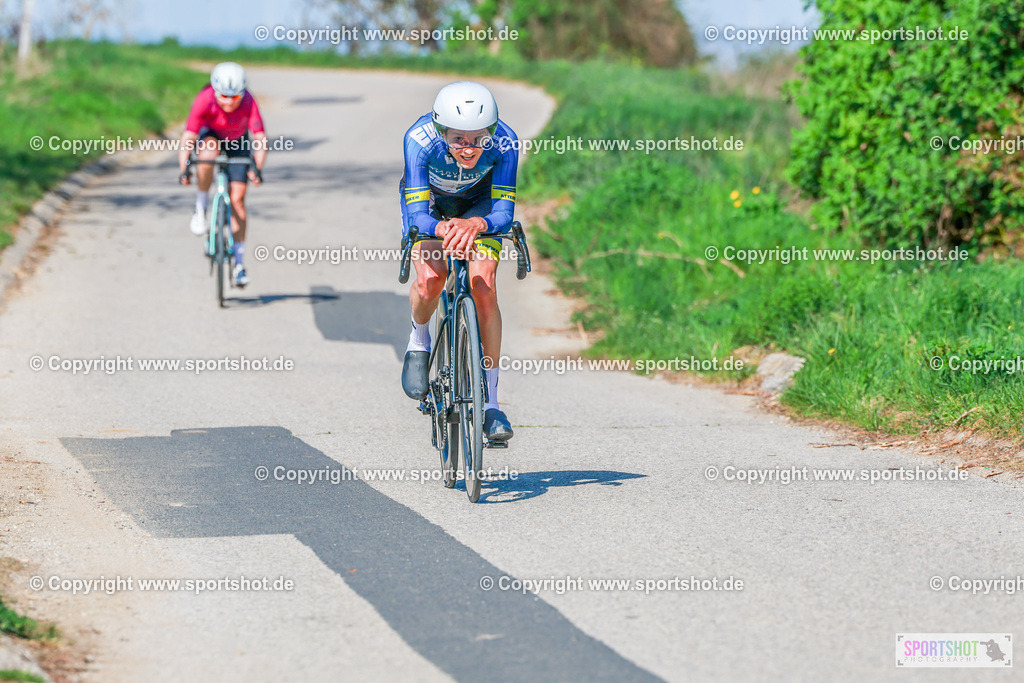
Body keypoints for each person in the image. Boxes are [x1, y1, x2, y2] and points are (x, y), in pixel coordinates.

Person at [399, 81, 519, 442]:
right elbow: (418, 216)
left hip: (480, 206)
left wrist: (478, 224)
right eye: (458, 140)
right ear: (440, 131)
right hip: (432, 207)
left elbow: (504, 211)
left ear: (492, 132)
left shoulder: (506, 143)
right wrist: (444, 227)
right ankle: (419, 339)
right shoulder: (420, 141)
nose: (469, 149)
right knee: (432, 278)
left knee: (484, 286)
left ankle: (491, 404)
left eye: (479, 139)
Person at [178, 62, 266, 287]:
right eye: (223, 97)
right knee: (206, 153)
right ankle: (201, 206)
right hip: (212, 136)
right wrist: (184, 169)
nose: (228, 103)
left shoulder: (248, 101)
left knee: (237, 200)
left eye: (234, 98)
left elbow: (260, 138)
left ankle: (239, 263)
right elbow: (188, 136)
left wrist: (257, 168)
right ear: (215, 92)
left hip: (238, 141)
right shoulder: (205, 98)